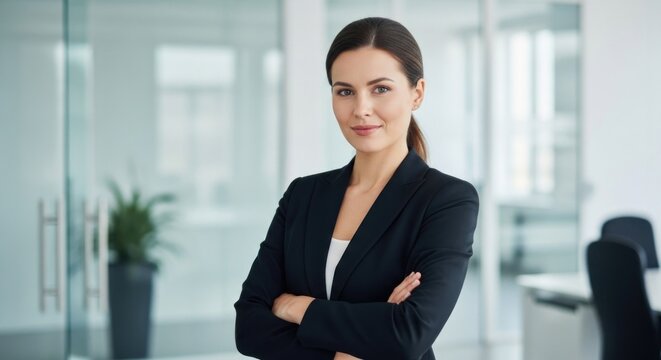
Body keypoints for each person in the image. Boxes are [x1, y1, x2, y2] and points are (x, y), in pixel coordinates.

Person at [234, 17, 479, 360]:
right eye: (345, 91)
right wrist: (349, 349)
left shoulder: (446, 200)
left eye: (380, 89)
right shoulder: (303, 196)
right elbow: (248, 328)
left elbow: (408, 333)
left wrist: (299, 307)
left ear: (417, 93)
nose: (361, 109)